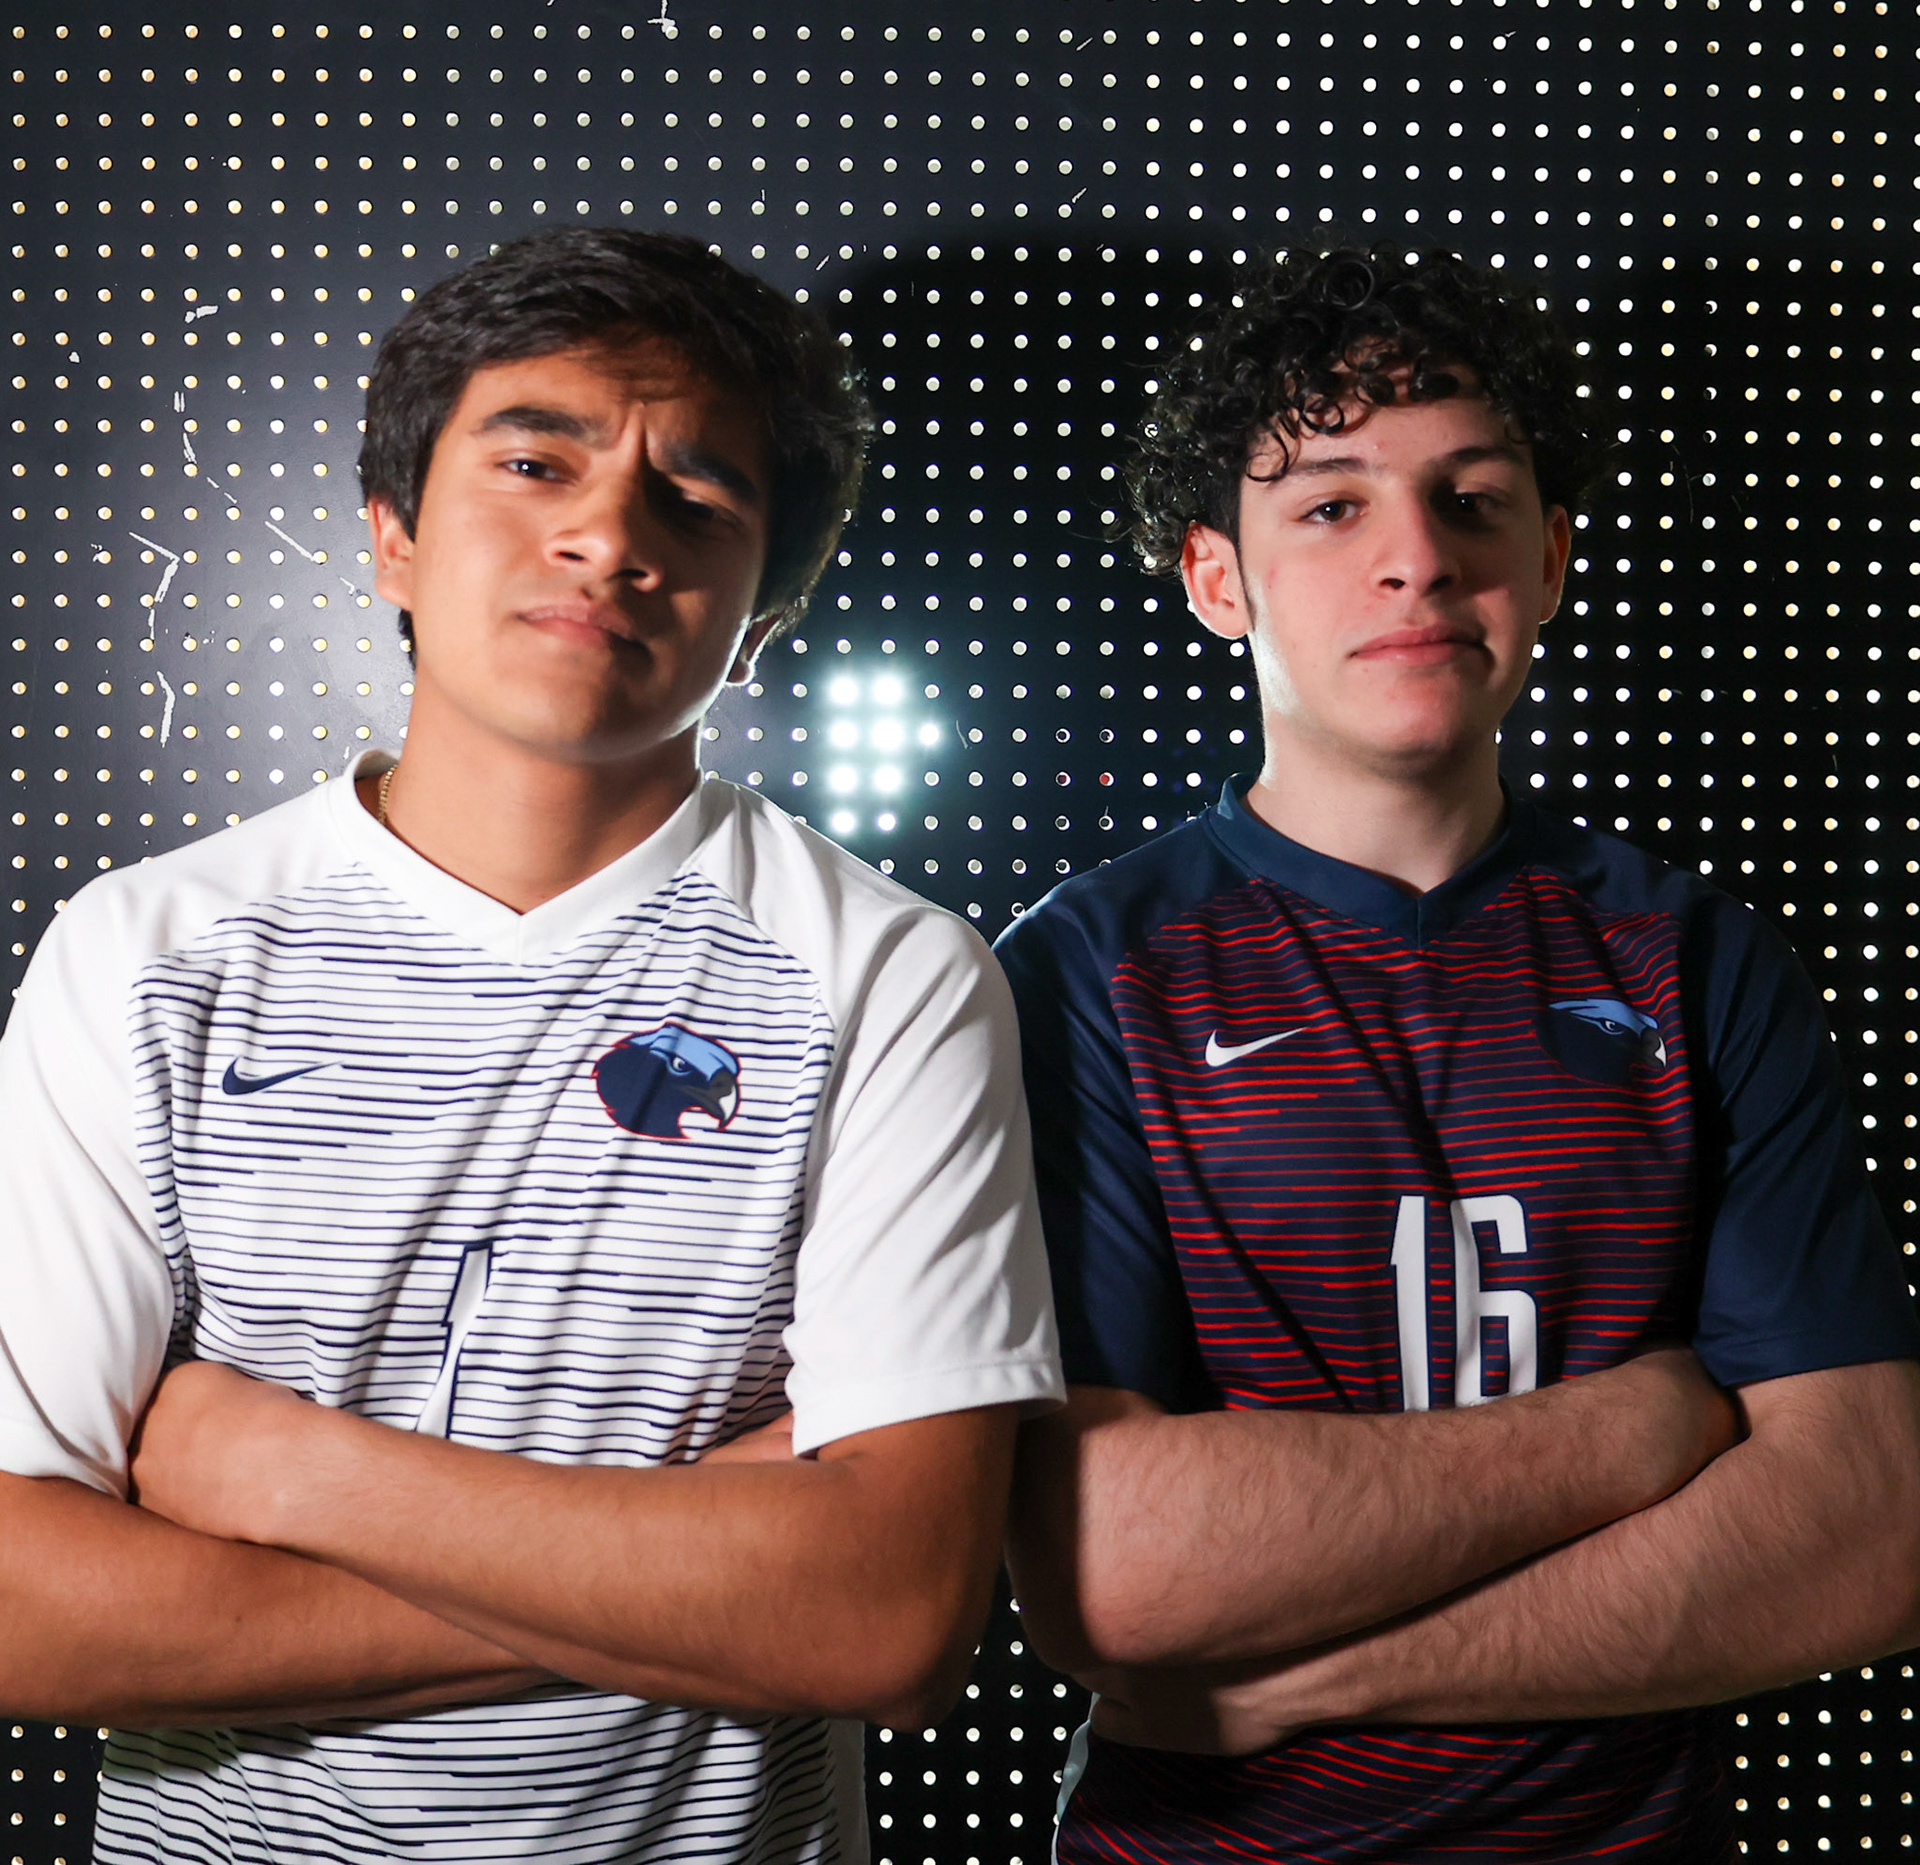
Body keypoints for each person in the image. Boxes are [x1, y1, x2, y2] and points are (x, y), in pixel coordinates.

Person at [0, 225, 1063, 1863]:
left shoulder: (893, 981)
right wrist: (711, 1563)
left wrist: (284, 1468)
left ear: (760, 610)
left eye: (693, 498)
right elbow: (22, 1613)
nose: (606, 534)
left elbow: (883, 1617)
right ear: (394, 536)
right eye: (534, 459)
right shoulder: (139, 958)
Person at [994, 245, 1920, 1863]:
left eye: (1474, 500)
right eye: (1332, 505)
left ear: (1551, 559)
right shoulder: (1080, 971)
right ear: (1220, 578)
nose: (1416, 560)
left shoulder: (1696, 958)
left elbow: (1866, 1532)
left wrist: (1329, 1669)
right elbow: (1113, 1569)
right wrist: (1639, 1429)